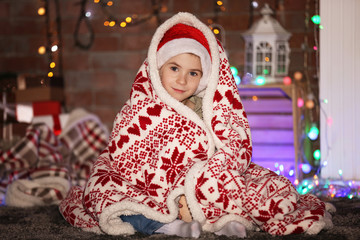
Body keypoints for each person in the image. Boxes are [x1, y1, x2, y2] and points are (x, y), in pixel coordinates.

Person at [59, 12, 333, 238]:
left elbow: (225, 149)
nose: (182, 80)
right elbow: (130, 155)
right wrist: (175, 197)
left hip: (200, 180)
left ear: (203, 79)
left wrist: (196, 189)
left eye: (193, 73)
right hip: (149, 185)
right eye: (174, 68)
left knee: (252, 182)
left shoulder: (207, 107)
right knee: (106, 192)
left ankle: (225, 220)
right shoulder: (139, 108)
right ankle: (168, 225)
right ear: (157, 68)